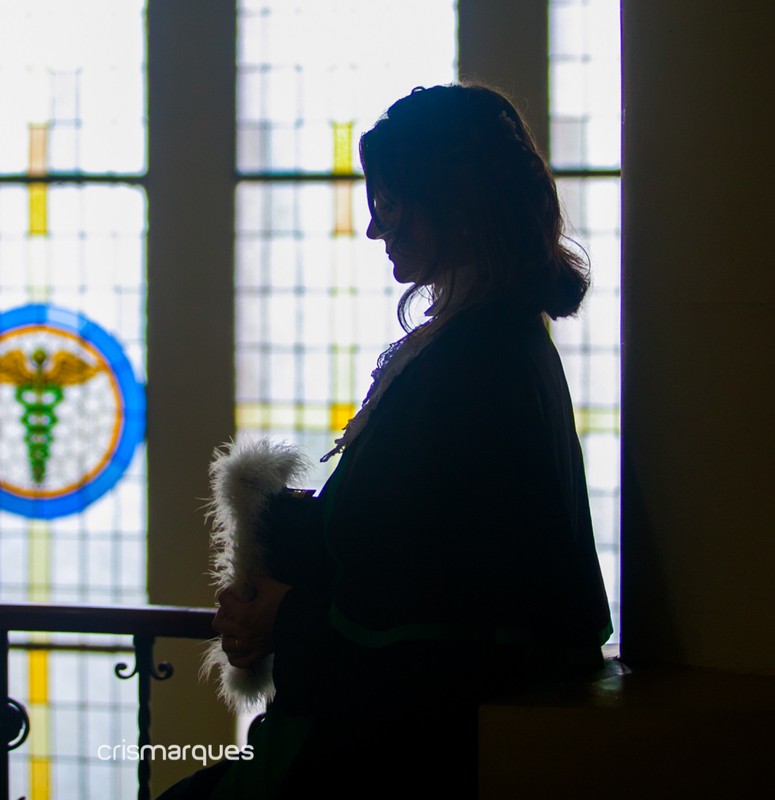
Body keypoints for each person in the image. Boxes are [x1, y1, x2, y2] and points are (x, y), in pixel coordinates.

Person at [159, 83, 612, 799]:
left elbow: (440, 618)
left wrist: (284, 614)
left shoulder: (477, 361)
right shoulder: (481, 342)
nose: (377, 228)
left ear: (455, 202)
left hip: (400, 759)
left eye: (393, 202)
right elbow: (403, 536)